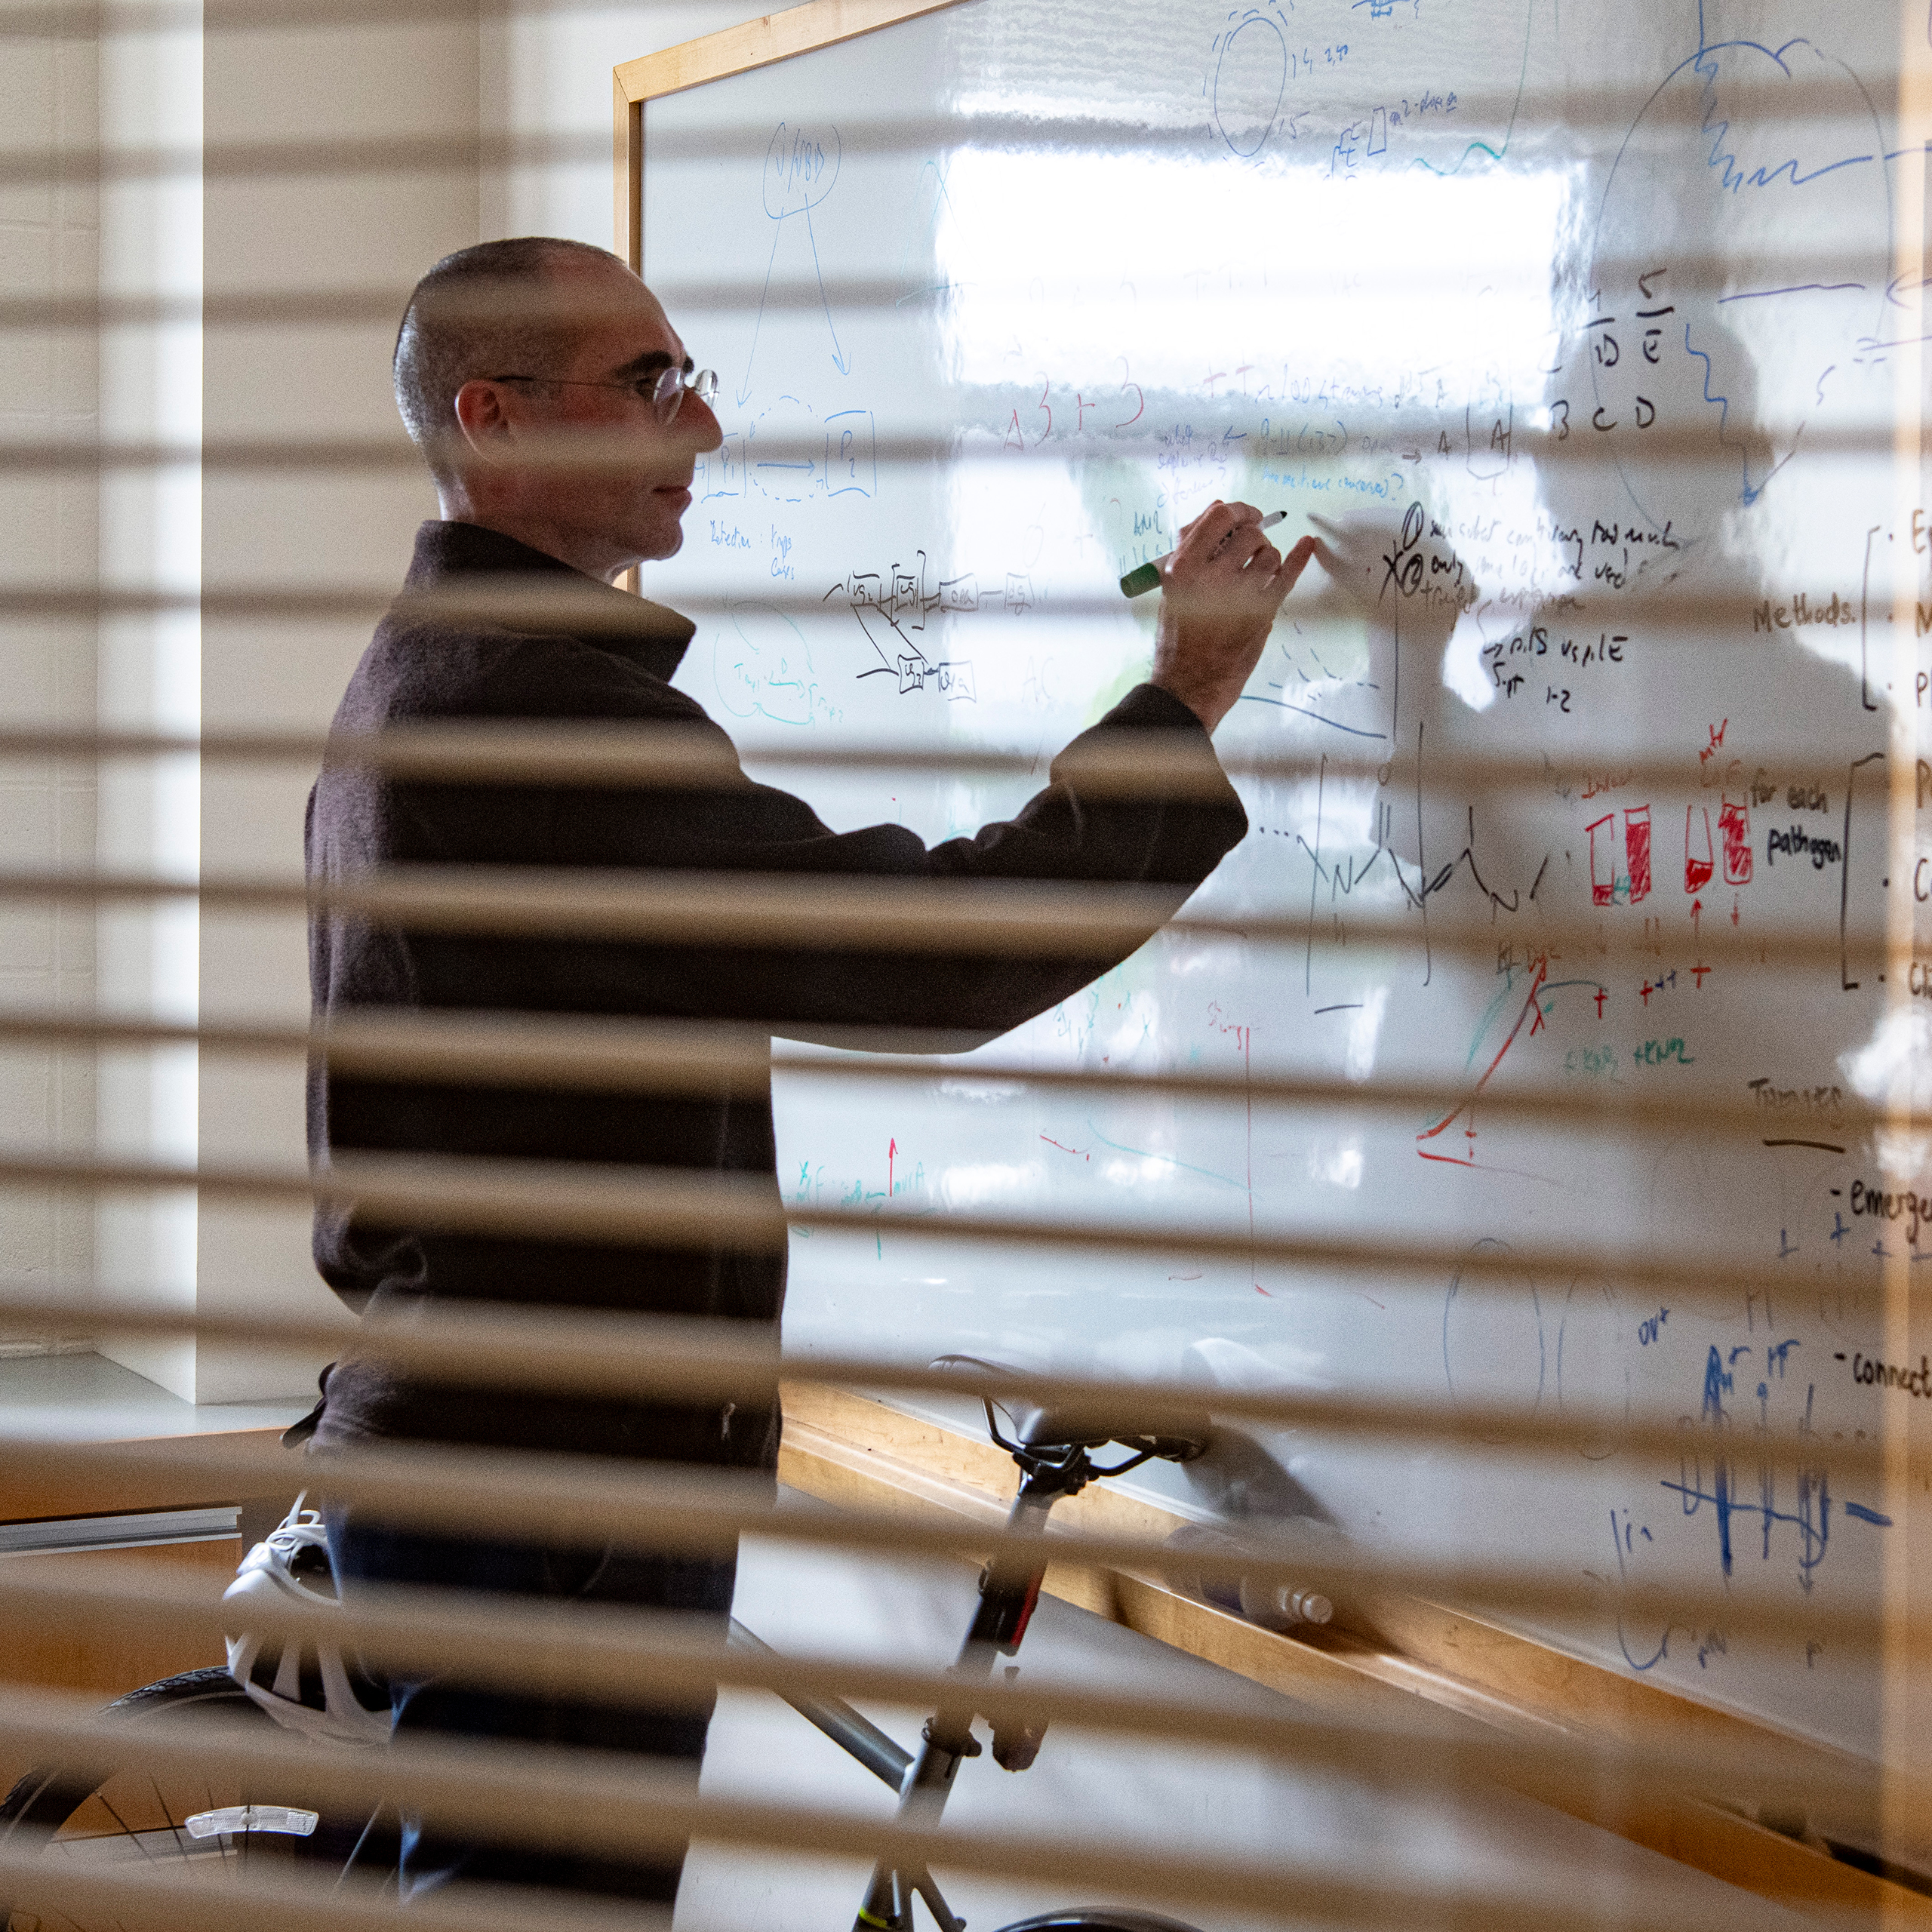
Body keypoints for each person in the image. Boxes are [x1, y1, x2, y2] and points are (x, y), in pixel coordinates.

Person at [303, 235, 1324, 1908]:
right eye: (651, 384)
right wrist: (1182, 695)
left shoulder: (432, 676)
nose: (698, 428)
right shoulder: (530, 717)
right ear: (492, 419)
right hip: (550, 1483)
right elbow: (931, 948)